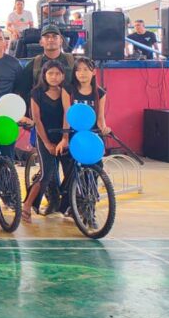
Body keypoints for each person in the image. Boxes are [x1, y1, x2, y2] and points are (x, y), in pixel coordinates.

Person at [22, 60, 72, 222]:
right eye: (50, 73)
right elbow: (37, 119)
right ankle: (28, 205)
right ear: (44, 75)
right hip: (44, 135)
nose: (54, 77)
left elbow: (67, 113)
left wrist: (65, 138)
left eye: (58, 73)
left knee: (72, 172)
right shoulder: (36, 93)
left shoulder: (66, 91)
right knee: (46, 173)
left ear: (63, 75)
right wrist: (47, 143)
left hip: (63, 135)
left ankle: (67, 205)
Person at [21, 24, 76, 89]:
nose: (51, 40)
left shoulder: (72, 61)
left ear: (61, 41)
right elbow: (24, 91)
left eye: (54, 36)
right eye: (47, 37)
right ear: (41, 42)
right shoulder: (33, 65)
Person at [67, 58, 112, 134]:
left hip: (92, 134)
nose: (82, 73)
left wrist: (104, 128)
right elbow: (66, 115)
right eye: (78, 70)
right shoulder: (68, 90)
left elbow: (100, 118)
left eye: (86, 69)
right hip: (73, 134)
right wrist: (65, 138)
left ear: (94, 72)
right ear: (75, 73)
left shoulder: (100, 93)